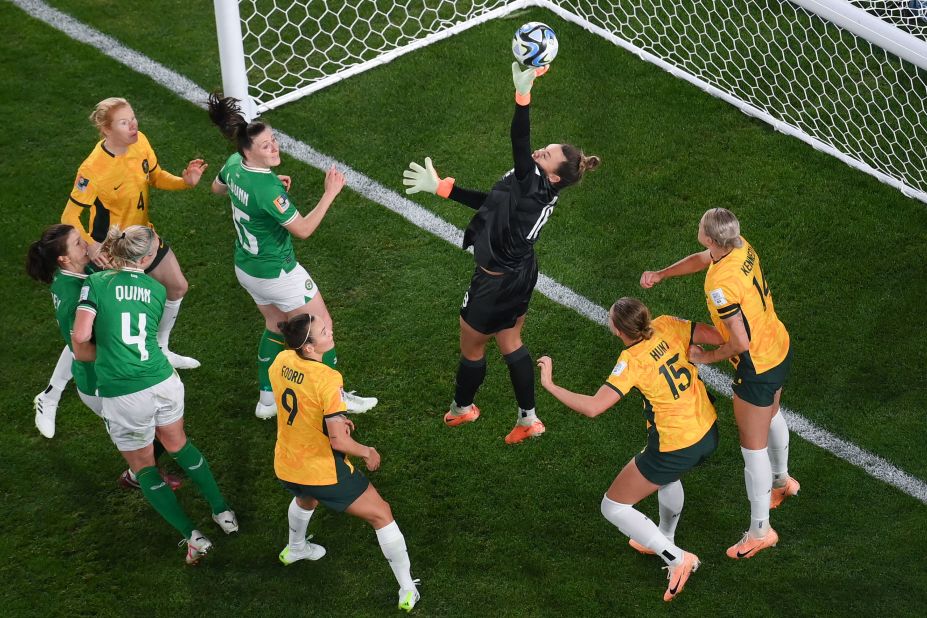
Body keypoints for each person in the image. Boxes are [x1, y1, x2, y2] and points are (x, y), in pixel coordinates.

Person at [403, 63, 600, 443]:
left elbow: (519, 140)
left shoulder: (533, 184)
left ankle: (463, 409)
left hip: (494, 281)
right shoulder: (536, 184)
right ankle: (529, 419)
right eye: (545, 149)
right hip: (521, 271)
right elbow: (494, 202)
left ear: (555, 175)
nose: (539, 152)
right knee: (510, 341)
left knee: (472, 344)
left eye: (546, 155)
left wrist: (522, 96)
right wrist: (445, 190)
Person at [37, 97, 206, 436]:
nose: (134, 126)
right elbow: (70, 217)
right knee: (90, 330)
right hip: (112, 251)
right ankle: (50, 395)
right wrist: (93, 244)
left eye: (133, 119)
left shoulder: (140, 142)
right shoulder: (92, 169)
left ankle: (160, 350)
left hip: (141, 238)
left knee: (177, 287)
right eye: (124, 122)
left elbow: (154, 176)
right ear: (105, 129)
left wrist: (184, 181)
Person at [538, 298, 723, 602]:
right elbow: (718, 336)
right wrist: (704, 357)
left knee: (613, 506)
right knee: (665, 476)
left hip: (677, 445)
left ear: (617, 329)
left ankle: (677, 559)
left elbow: (594, 407)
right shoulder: (667, 324)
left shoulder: (632, 361)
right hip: (707, 431)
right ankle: (664, 537)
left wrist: (550, 384)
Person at [71, 225, 236, 564]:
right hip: (164, 381)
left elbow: (81, 335)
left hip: (124, 392)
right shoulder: (156, 289)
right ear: (146, 259)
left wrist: (102, 352)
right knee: (179, 445)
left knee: (144, 467)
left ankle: (193, 537)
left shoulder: (96, 283)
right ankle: (223, 512)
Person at [640, 207, 799, 559]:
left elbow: (739, 341)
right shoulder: (741, 245)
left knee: (752, 448)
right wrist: (663, 274)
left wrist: (706, 357)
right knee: (772, 414)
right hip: (777, 343)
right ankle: (783, 482)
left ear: (712, 238)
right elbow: (704, 259)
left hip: (756, 362)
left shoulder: (720, 286)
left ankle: (760, 531)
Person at [207, 94, 376, 419]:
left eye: (274, 141)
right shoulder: (266, 189)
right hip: (278, 273)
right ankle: (336, 401)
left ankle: (267, 401)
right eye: (266, 146)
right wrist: (329, 194)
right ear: (248, 150)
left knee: (275, 324)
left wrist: (264, 195)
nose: (274, 148)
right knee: (323, 326)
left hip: (247, 268)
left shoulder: (233, 166)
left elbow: (219, 189)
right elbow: (303, 229)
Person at [270, 314, 419, 611]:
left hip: (286, 462)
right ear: (309, 347)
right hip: (319, 468)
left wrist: (330, 421)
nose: (330, 331)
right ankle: (406, 588)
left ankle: (296, 548)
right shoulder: (327, 378)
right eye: (324, 331)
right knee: (381, 514)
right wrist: (366, 451)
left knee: (305, 498)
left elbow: (301, 405)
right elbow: (339, 442)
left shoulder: (281, 360)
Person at [26, 224, 181, 490]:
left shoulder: (75, 274)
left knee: (155, 421)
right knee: (143, 429)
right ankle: (139, 475)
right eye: (78, 243)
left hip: (114, 372)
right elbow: (81, 351)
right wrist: (133, 350)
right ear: (63, 258)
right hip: (100, 382)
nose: (86, 245)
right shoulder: (74, 296)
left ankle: (143, 469)